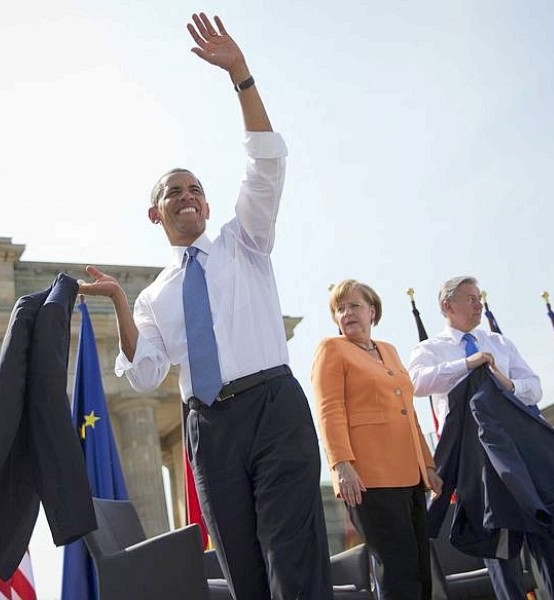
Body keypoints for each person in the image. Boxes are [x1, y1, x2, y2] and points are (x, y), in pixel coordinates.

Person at [79, 13, 332, 600]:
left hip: (273, 406)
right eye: (174, 191)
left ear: (208, 204)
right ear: (156, 214)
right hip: (209, 426)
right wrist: (119, 301)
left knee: (292, 562)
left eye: (195, 188)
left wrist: (240, 75)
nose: (187, 196)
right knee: (243, 571)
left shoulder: (244, 242)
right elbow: (144, 378)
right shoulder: (153, 296)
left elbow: (266, 165)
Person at [407, 275, 554, 600]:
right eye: (470, 298)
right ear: (447, 306)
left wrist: (509, 385)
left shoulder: (500, 343)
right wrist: (467, 364)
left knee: (547, 541)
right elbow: (415, 383)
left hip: (521, 456)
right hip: (477, 463)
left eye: (479, 297)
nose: (478, 303)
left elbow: (534, 386)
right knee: (499, 551)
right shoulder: (430, 350)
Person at [311, 279, 443, 600]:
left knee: (421, 570)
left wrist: (428, 465)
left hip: (410, 475)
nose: (346, 314)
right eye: (339, 309)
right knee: (399, 570)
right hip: (368, 478)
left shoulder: (390, 351)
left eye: (353, 306)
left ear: (372, 311)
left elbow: (408, 412)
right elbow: (329, 410)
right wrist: (341, 465)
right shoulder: (332, 349)